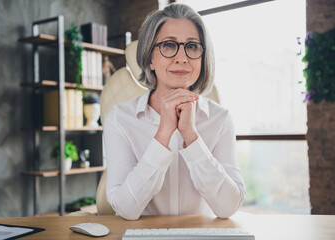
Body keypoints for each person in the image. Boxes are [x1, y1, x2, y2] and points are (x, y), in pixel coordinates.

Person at [103, 3, 246, 221]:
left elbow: (228, 207)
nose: (182, 58)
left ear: (202, 58)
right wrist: (163, 134)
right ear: (150, 58)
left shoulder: (220, 119)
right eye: (169, 45)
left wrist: (191, 135)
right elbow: (126, 209)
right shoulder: (120, 118)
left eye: (192, 46)